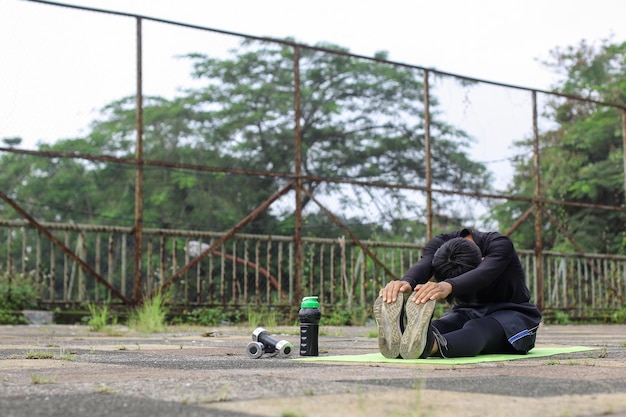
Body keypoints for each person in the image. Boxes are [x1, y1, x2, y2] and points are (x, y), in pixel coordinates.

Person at [373, 227, 542, 359]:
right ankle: (403, 339)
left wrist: (447, 286)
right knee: (440, 326)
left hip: (513, 315)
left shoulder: (499, 245)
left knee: (478, 328)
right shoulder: (440, 243)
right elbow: (425, 264)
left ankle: (429, 346)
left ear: (481, 259)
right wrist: (406, 282)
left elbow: (484, 273)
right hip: (466, 311)